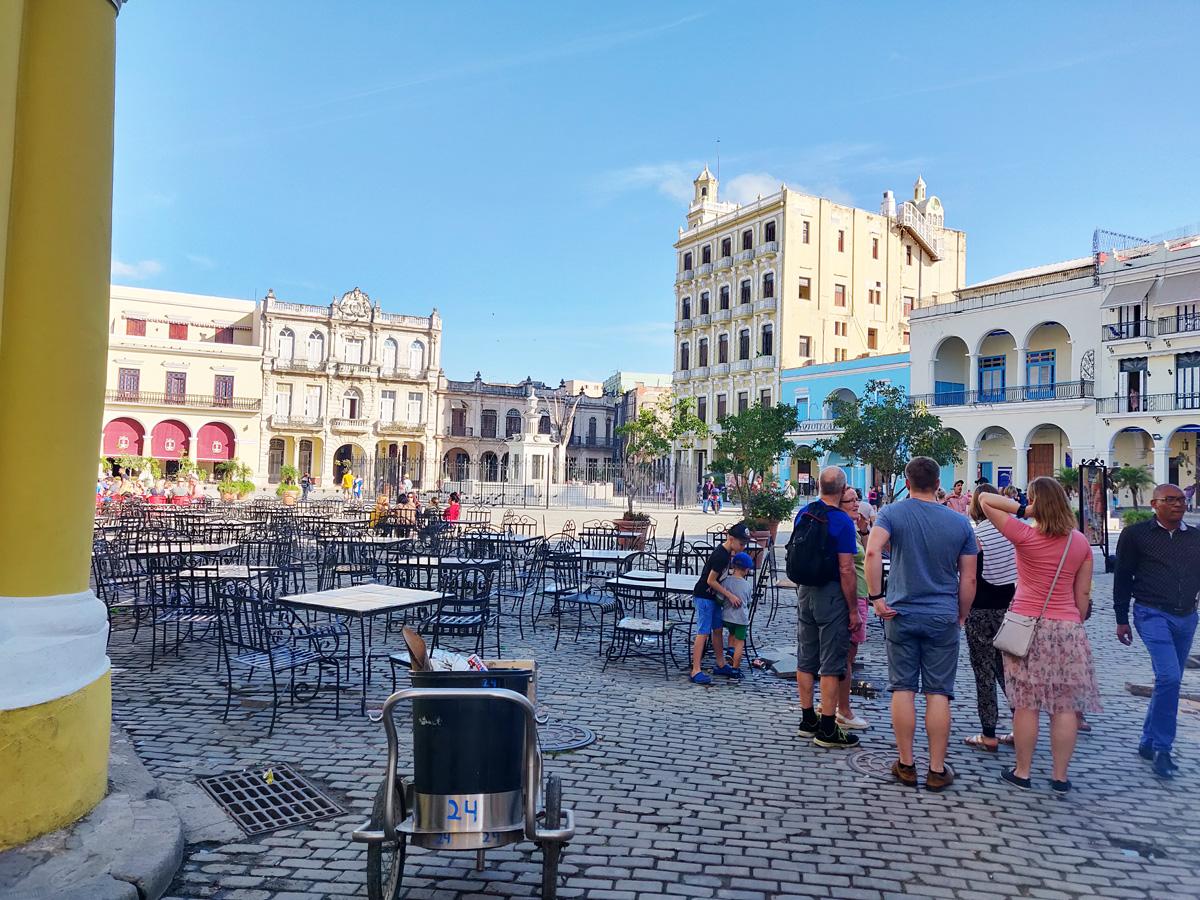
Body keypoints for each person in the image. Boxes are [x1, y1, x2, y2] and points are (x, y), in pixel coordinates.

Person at [979, 477, 1100, 793]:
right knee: (1063, 706)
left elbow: (984, 502)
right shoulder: (1080, 543)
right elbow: (1083, 596)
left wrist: (1024, 508)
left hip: (1027, 626)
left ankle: (1023, 771)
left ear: (1036, 503)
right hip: (1067, 628)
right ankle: (1060, 777)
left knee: (1026, 704)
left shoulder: (1025, 535)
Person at [865, 457, 978, 791]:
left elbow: (872, 553)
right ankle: (937, 769)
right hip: (942, 613)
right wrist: (961, 613)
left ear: (907, 480)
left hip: (901, 612)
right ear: (938, 481)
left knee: (903, 688)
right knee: (938, 692)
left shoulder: (892, 513)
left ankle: (906, 763)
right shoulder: (959, 523)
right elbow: (969, 577)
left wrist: (876, 598)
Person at [1113, 482, 1200, 778]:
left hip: (1186, 616)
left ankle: (1148, 740)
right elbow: (1122, 576)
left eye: (1181, 499)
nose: (1178, 504)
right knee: (1169, 676)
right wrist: (1121, 618)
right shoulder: (1137, 536)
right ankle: (1164, 748)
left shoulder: (1195, 538)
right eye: (1171, 499)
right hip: (1151, 613)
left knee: (1167, 681)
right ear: (1154, 504)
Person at [794, 467, 862, 749]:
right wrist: (853, 609)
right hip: (831, 594)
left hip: (805, 592)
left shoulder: (803, 513)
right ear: (843, 488)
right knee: (832, 664)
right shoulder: (842, 522)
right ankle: (827, 729)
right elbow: (847, 569)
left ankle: (807, 719)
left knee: (806, 657)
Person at [962, 484, 1017, 752]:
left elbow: (970, 576)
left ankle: (989, 731)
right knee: (1009, 670)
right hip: (1008, 607)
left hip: (981, 607)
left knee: (983, 671)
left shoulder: (977, 535)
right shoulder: (1014, 532)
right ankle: (1021, 724)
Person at [689, 522, 749, 684]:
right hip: (704, 596)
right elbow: (711, 580)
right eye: (741, 544)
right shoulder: (721, 555)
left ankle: (721, 664)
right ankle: (695, 669)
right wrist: (729, 595)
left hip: (714, 598)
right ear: (731, 539)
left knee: (717, 629)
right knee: (703, 632)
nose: (743, 547)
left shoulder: (728, 553)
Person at [836, 486, 871, 732]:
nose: (856, 504)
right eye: (851, 501)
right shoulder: (842, 528)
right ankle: (843, 709)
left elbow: (868, 554)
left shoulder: (854, 528)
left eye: (857, 499)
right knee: (846, 657)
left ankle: (834, 703)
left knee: (846, 655)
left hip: (861, 594)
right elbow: (846, 568)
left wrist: (865, 529)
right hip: (854, 597)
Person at [720, 551, 755, 677]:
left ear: (733, 566)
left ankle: (730, 651)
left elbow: (719, 599)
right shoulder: (747, 585)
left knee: (731, 633)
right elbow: (749, 602)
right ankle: (735, 668)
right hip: (741, 619)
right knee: (740, 642)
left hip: (727, 617)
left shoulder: (725, 582)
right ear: (746, 570)